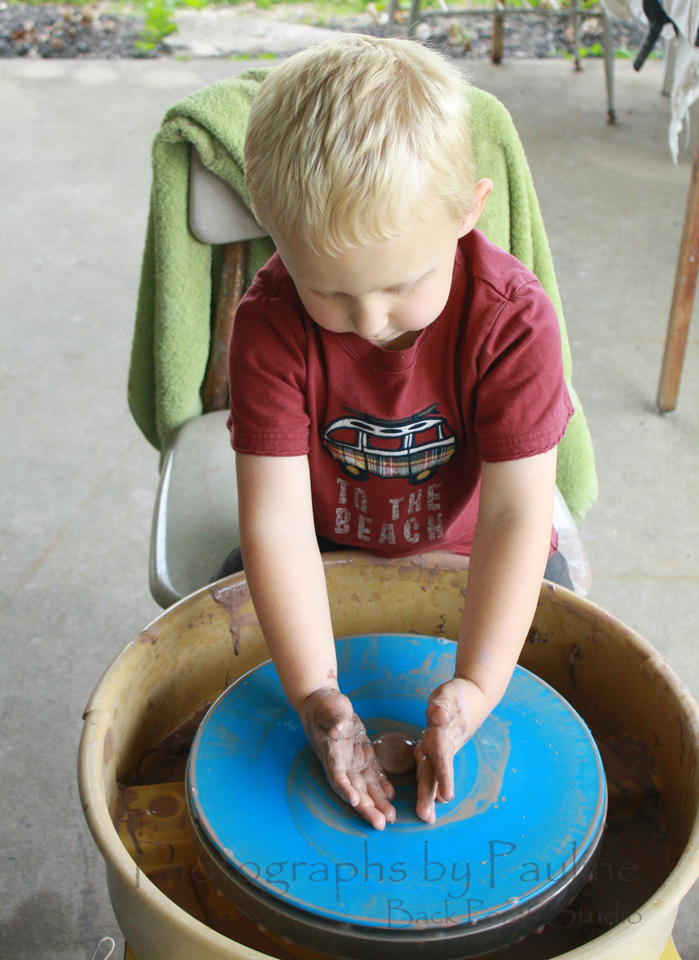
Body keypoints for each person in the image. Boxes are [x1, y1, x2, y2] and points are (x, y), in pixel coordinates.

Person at [220, 35, 574, 830]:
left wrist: (477, 688)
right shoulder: (270, 323)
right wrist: (316, 697)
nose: (370, 322)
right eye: (329, 291)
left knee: (563, 657)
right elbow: (273, 521)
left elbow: (520, 514)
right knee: (228, 638)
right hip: (324, 543)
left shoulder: (512, 320)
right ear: (270, 228)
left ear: (468, 210)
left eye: (401, 286)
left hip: (470, 542)